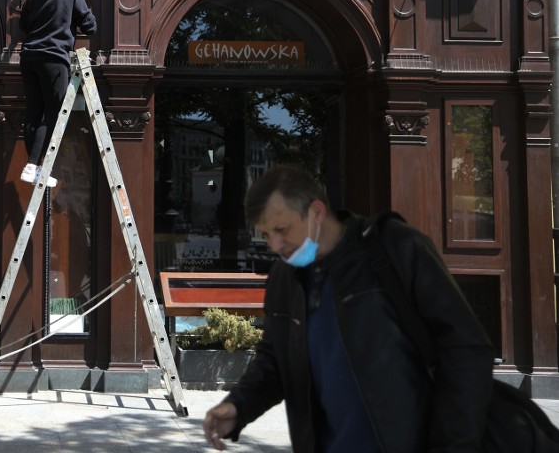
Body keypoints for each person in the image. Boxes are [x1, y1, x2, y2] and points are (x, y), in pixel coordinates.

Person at [203, 164, 495, 452]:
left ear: (316, 212)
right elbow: (274, 362)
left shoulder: (395, 247)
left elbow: (465, 349)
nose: (276, 245)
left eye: (281, 229)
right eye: (266, 235)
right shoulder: (284, 278)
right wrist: (238, 406)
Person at [18, 0, 97, 187]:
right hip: (54, 58)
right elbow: (90, 27)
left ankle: (35, 166)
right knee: (53, 114)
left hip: (29, 56)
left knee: (33, 112)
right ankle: (34, 166)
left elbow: (23, 25)